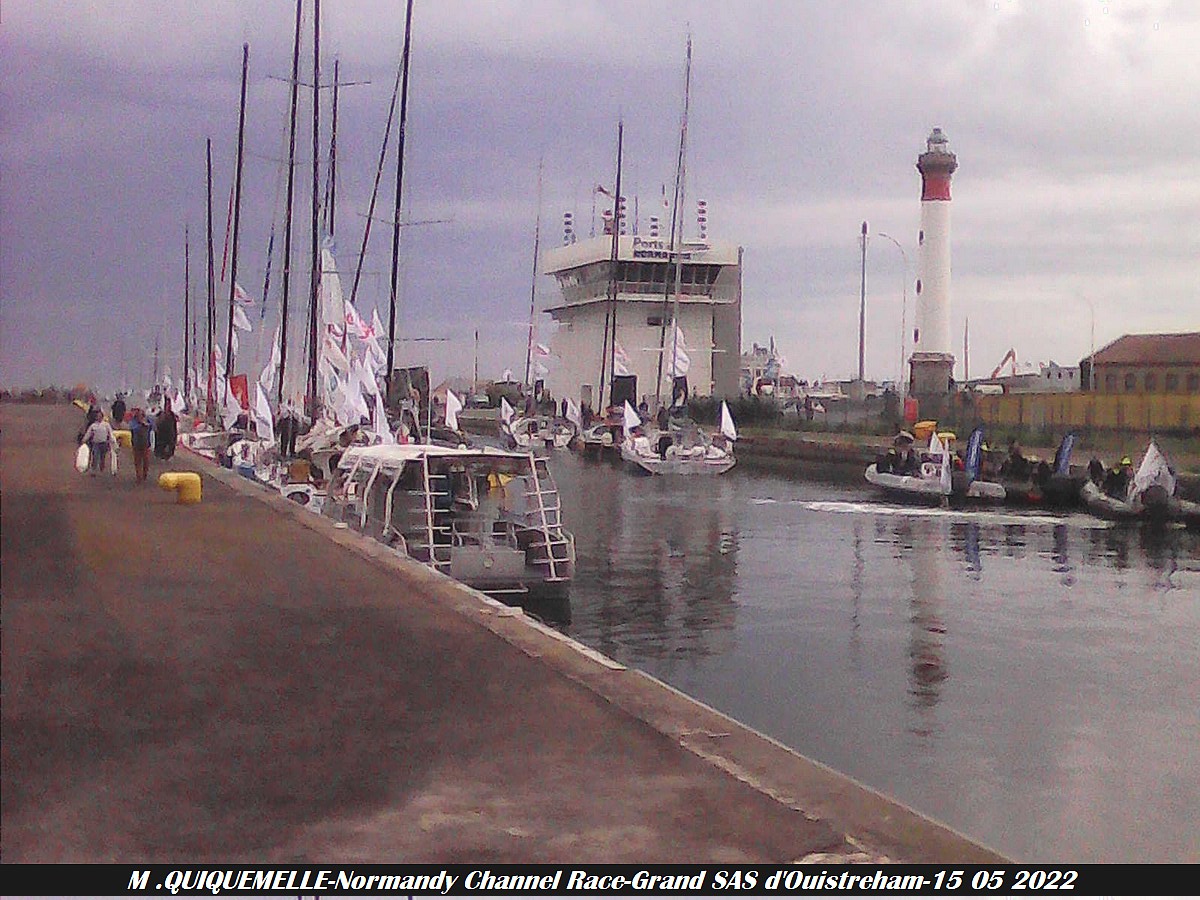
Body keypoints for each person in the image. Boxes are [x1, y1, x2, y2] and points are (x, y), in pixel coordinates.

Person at [81, 412, 116, 477]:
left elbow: (110, 433)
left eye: (100, 416)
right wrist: (84, 440)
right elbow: (88, 433)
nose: (99, 417)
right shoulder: (93, 426)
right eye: (98, 416)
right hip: (95, 443)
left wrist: (113, 441)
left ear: (102, 417)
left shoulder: (106, 425)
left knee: (102, 457)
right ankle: (93, 470)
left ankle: (102, 466)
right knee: (95, 456)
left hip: (104, 443)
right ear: (96, 417)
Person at [129, 408, 153, 483]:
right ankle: (138, 476)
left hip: (146, 444)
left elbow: (152, 426)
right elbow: (133, 428)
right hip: (136, 444)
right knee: (137, 461)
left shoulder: (148, 421)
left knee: (146, 461)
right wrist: (141, 424)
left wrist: (146, 423)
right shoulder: (133, 422)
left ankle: (144, 475)